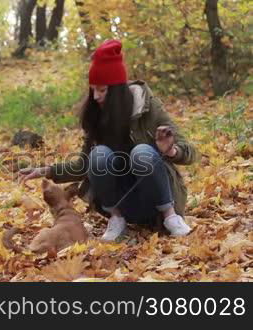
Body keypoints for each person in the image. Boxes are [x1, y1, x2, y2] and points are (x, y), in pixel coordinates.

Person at [19, 39, 199, 242]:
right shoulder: (97, 116)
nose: (95, 96)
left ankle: (170, 217)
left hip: (156, 199)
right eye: (93, 89)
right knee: (99, 155)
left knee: (142, 152)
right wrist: (46, 171)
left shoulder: (147, 107)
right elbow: (83, 165)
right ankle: (117, 219)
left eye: (102, 90)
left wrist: (170, 150)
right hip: (125, 202)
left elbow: (190, 151)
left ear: (118, 91)